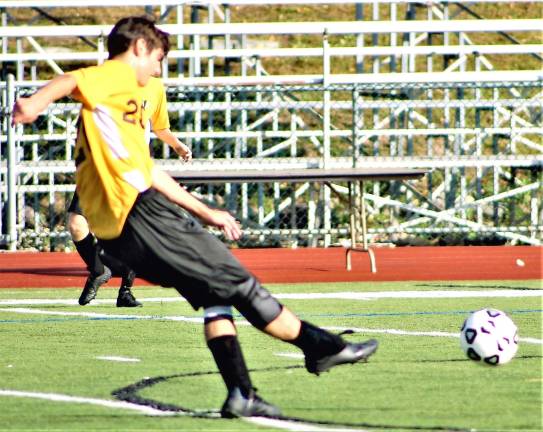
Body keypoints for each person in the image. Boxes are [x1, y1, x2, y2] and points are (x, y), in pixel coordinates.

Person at [12, 16, 378, 419]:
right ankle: (322, 347)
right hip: (140, 215)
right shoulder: (113, 77)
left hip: (121, 225)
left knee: (213, 297)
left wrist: (205, 211)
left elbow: (148, 168)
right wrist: (34, 103)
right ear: (138, 48)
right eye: (157, 58)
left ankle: (241, 392)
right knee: (239, 281)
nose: (158, 68)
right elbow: (71, 81)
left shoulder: (127, 101)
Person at [69, 64, 192, 308]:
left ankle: (126, 290)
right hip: (99, 167)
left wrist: (177, 145)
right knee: (76, 223)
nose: (159, 64)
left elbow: (160, 126)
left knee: (131, 229)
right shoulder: (110, 82)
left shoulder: (155, 87)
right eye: (156, 56)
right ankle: (97, 270)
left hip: (132, 169)